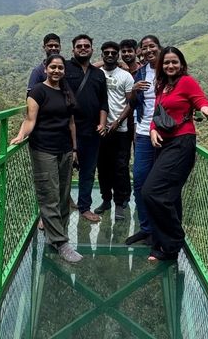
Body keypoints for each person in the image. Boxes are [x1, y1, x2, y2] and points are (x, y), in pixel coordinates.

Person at [143, 46, 208, 261]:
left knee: (151, 191)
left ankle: (174, 239)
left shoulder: (186, 82)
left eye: (174, 62)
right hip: (164, 143)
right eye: (166, 63)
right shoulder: (163, 85)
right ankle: (165, 247)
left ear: (181, 64)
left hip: (181, 143)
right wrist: (153, 130)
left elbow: (200, 99)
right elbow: (157, 113)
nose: (170, 66)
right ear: (161, 66)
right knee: (169, 196)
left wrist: (205, 108)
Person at [10, 54, 82, 263]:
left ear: (64, 71)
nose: (56, 71)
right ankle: (61, 242)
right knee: (48, 194)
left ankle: (58, 235)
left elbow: (71, 124)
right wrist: (21, 135)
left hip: (65, 148)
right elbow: (30, 119)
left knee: (63, 194)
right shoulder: (37, 91)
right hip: (43, 149)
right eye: (53, 67)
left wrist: (75, 148)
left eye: (60, 68)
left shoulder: (67, 91)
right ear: (46, 68)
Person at [65, 35, 109, 222]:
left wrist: (103, 123)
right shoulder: (65, 68)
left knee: (88, 171)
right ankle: (58, 209)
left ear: (92, 49)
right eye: (79, 46)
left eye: (87, 46)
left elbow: (103, 102)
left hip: (92, 131)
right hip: (66, 130)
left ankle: (84, 207)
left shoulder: (98, 74)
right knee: (63, 171)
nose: (83, 48)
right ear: (73, 49)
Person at [125, 35, 162, 246]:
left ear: (159, 47)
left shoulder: (168, 69)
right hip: (143, 132)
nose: (148, 50)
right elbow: (132, 102)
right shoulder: (139, 72)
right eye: (145, 47)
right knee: (139, 180)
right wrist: (134, 90)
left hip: (166, 134)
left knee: (161, 185)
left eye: (152, 46)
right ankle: (146, 228)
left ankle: (161, 230)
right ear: (141, 51)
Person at [94, 41, 134, 220]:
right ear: (102, 55)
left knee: (120, 167)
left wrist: (118, 121)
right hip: (100, 129)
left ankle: (120, 202)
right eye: (106, 53)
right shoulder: (96, 74)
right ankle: (106, 200)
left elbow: (130, 102)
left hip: (120, 130)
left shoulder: (126, 76)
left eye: (113, 53)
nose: (110, 55)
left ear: (117, 55)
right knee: (102, 167)